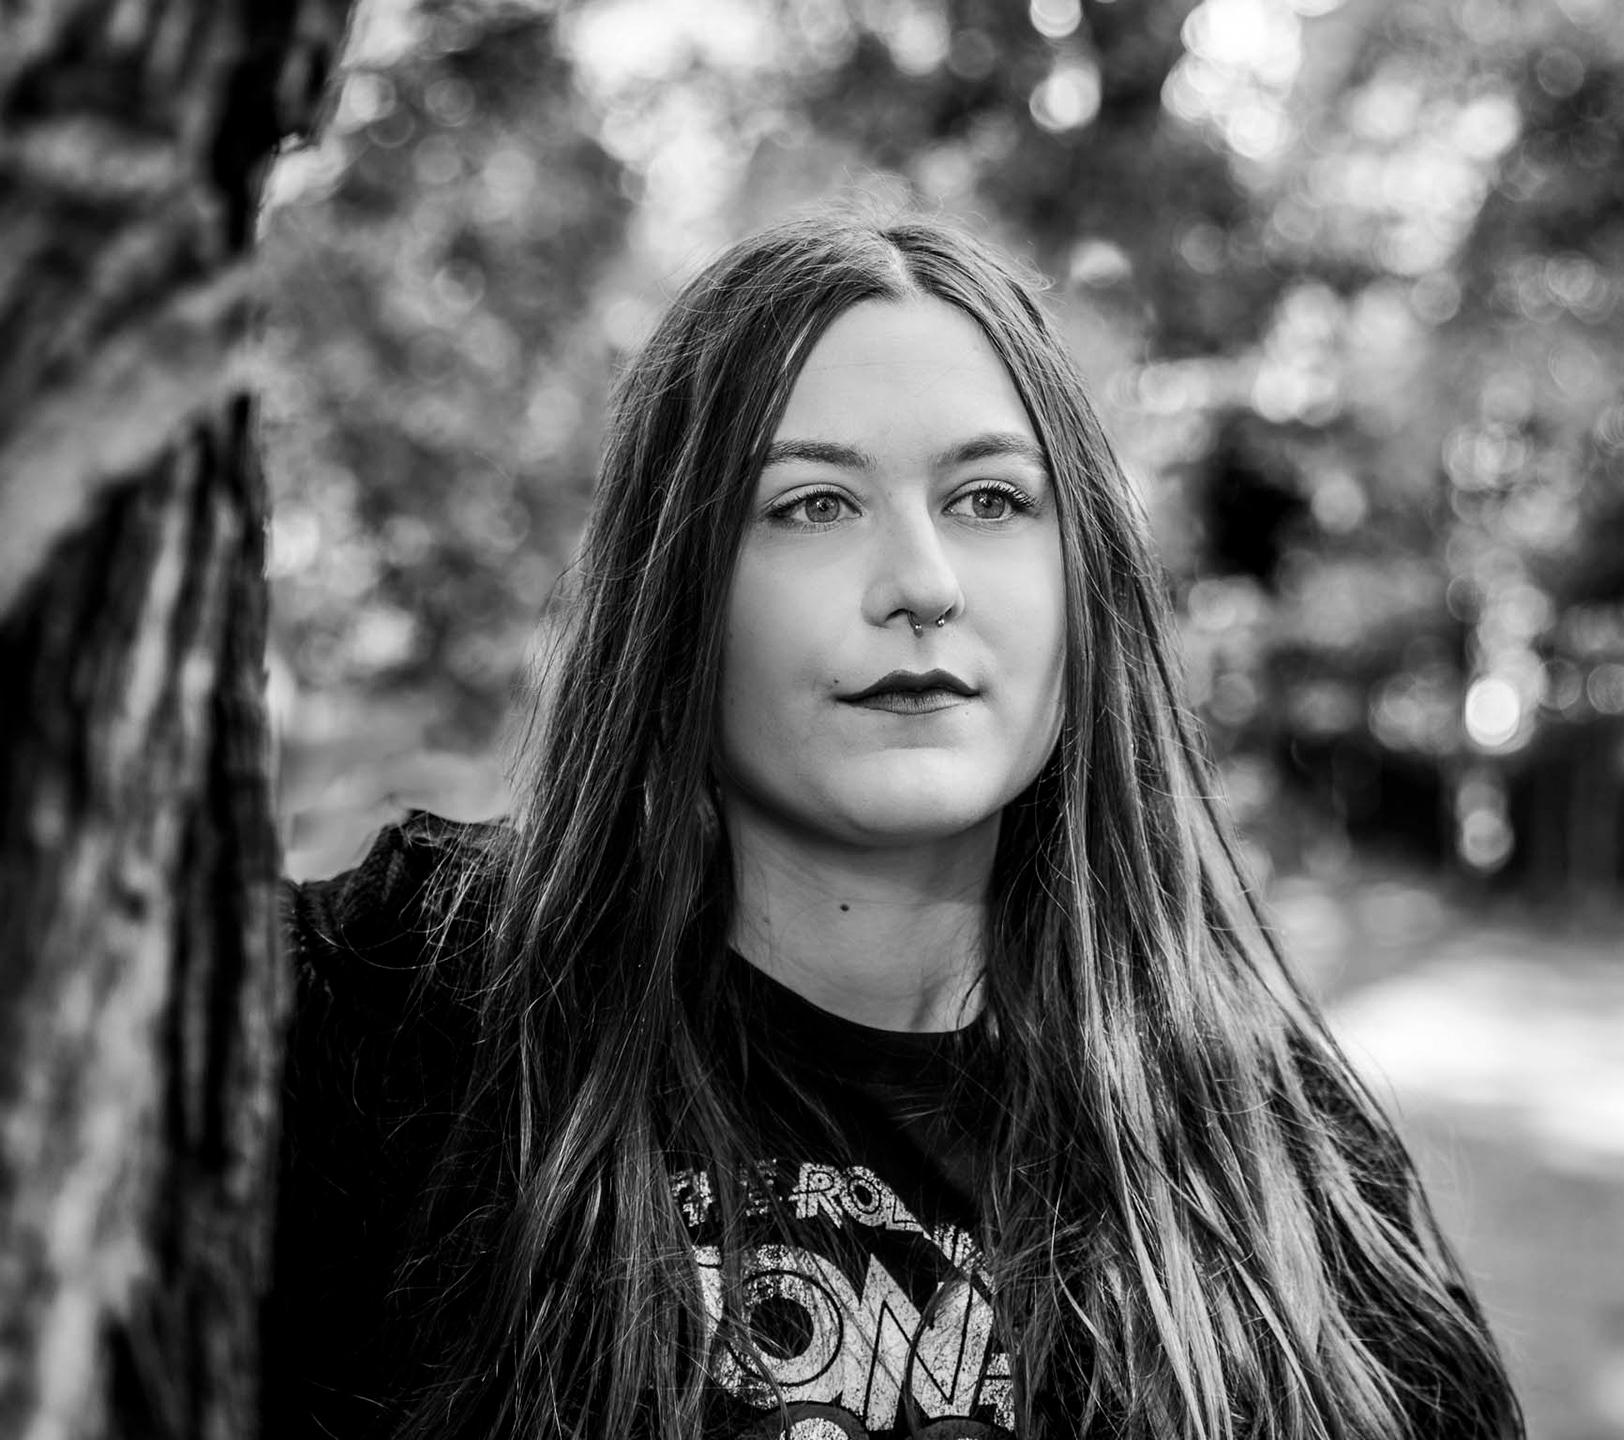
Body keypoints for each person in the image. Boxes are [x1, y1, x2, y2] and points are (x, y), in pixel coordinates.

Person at [266, 211, 1524, 1440]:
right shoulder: (413, 1008)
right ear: (677, 595)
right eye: (814, 504)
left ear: (1085, 584)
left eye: (990, 499)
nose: (922, 583)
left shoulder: (1279, 1164)